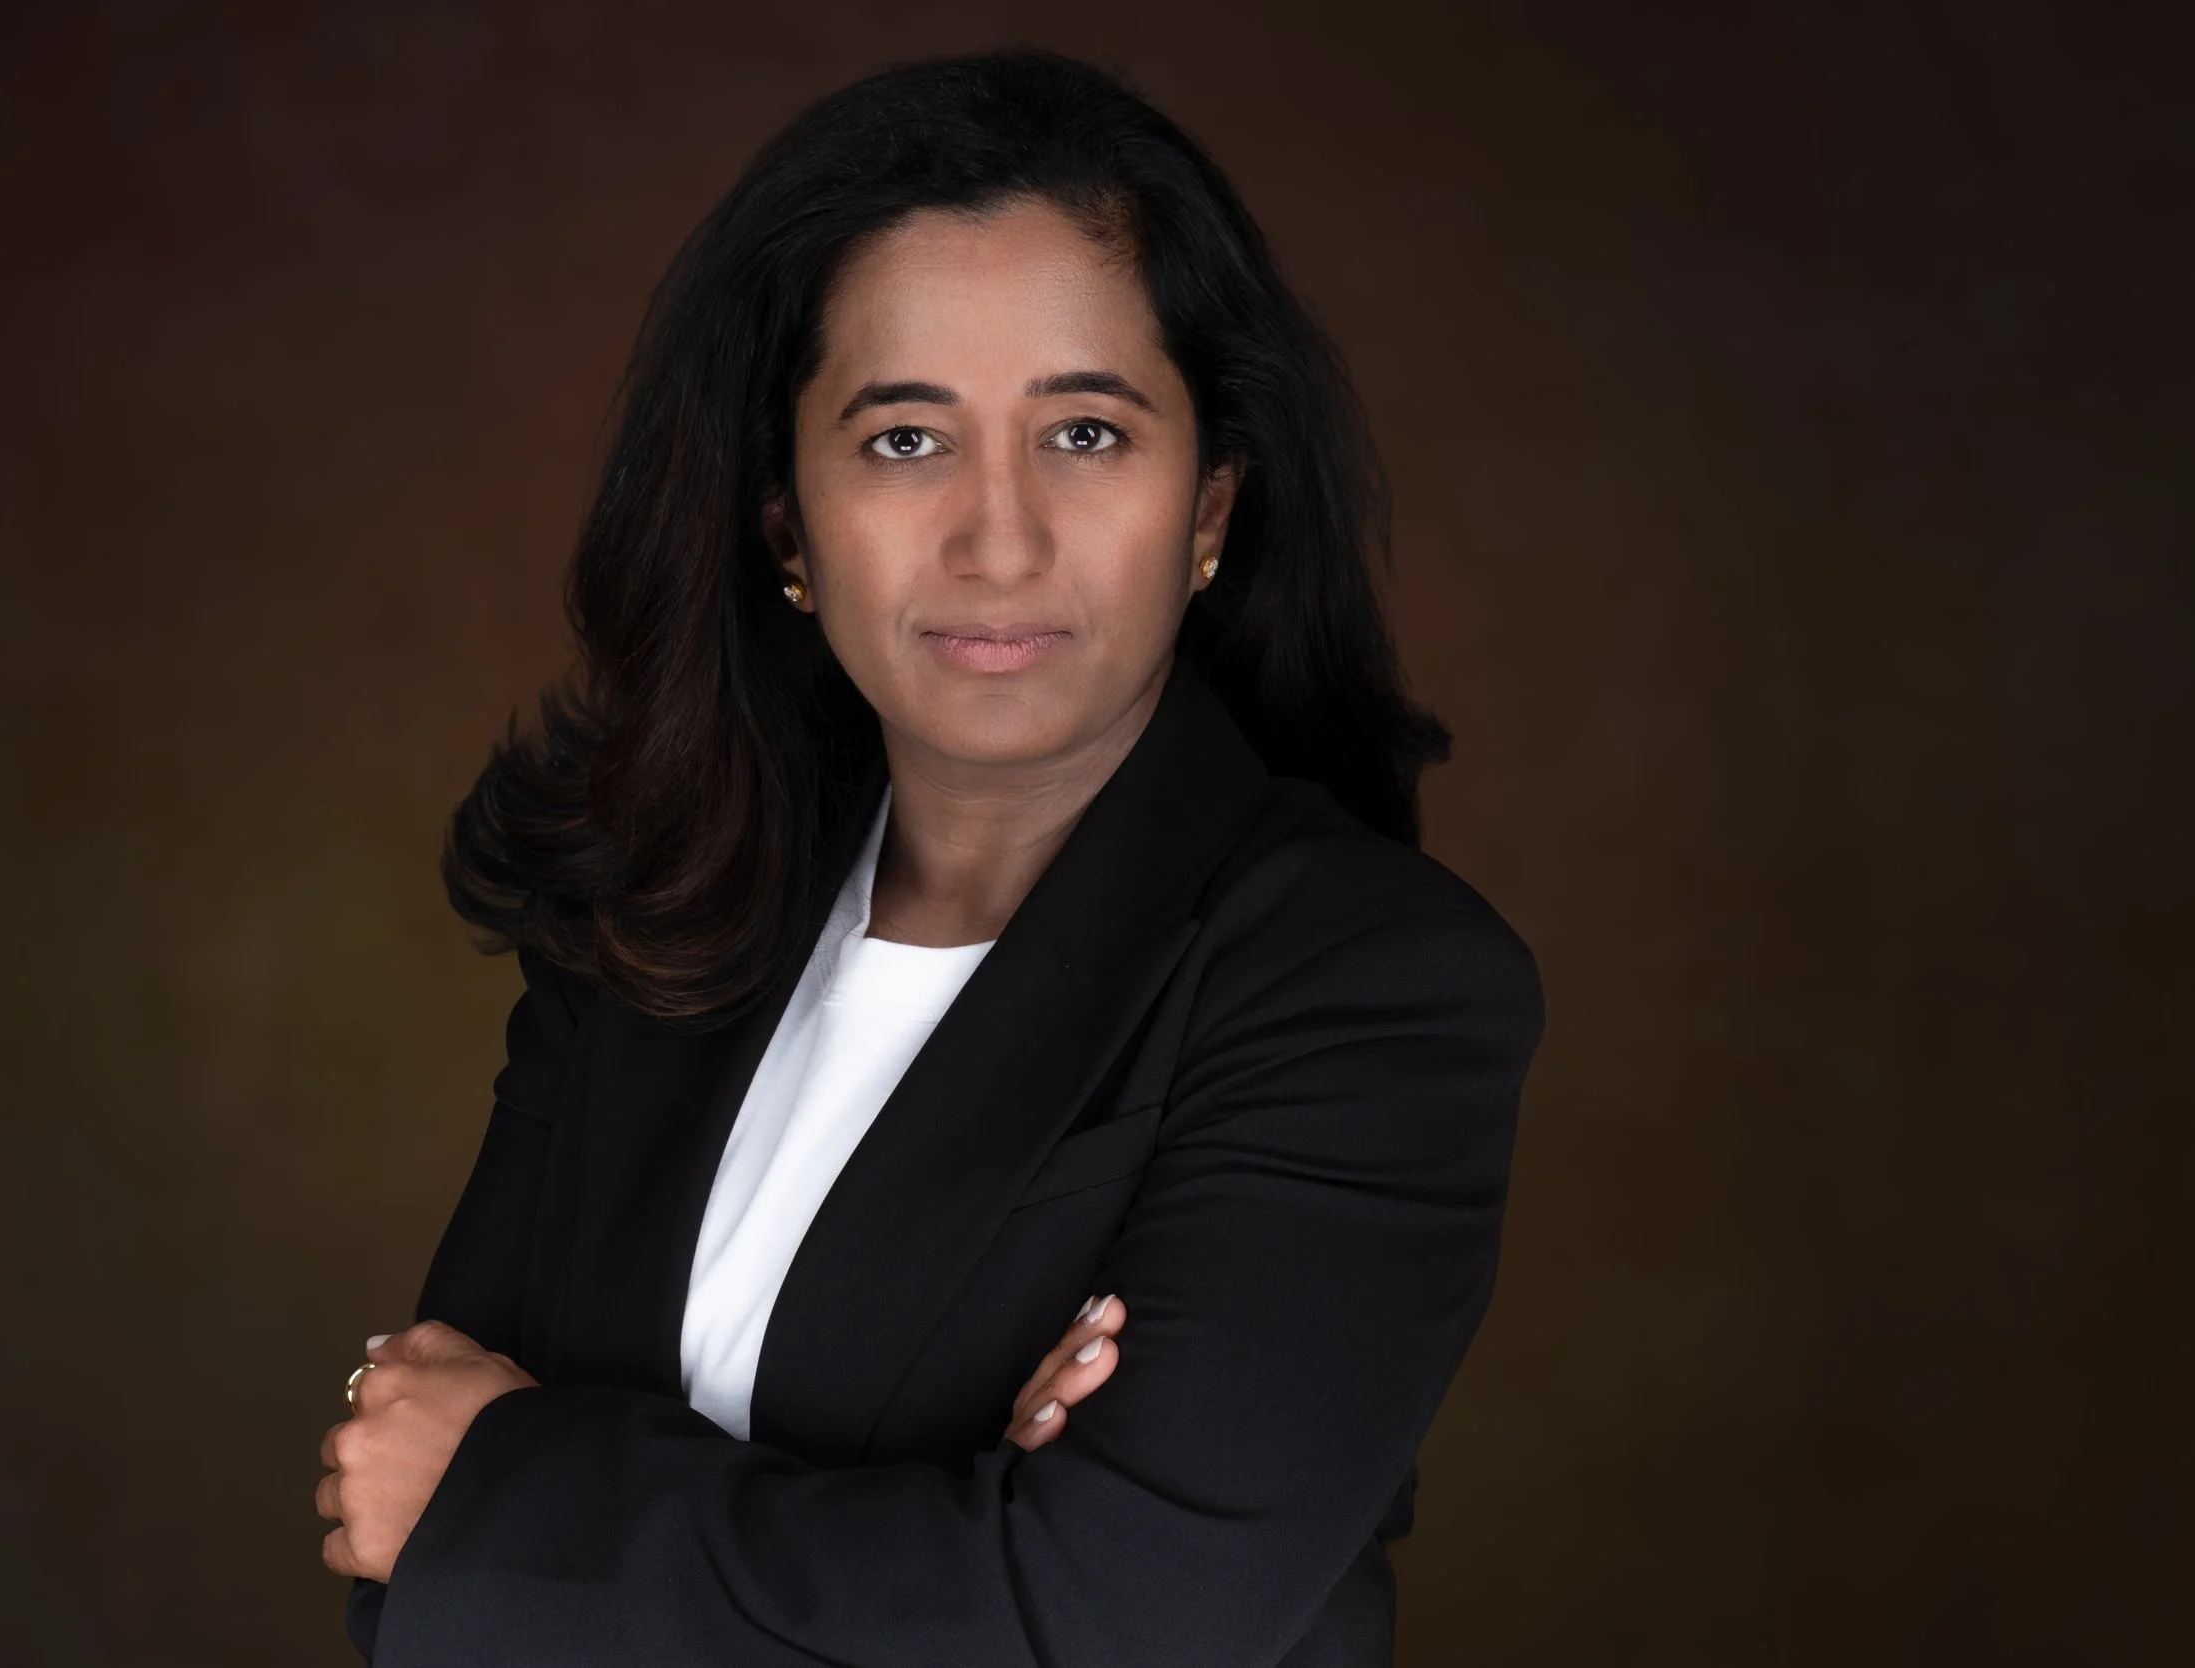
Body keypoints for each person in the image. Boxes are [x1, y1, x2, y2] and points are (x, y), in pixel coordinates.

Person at [312, 47, 1542, 1668]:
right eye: (904, 441)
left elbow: (1113, 1619)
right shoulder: (652, 913)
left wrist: (518, 1505)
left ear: (1210, 506)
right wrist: (954, 1524)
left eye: (1087, 433)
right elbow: (400, 1545)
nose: (1000, 537)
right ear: (787, 531)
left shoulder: (1371, 985)